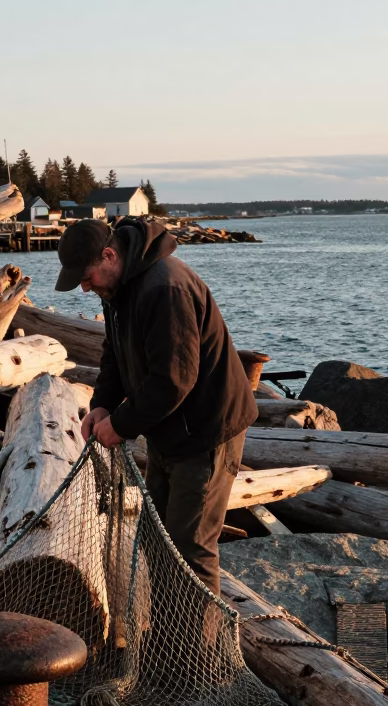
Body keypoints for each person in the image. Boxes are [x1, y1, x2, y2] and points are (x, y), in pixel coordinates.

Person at [55, 216, 257, 596]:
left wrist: (121, 424)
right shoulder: (117, 289)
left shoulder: (165, 288)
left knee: (190, 550)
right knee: (157, 538)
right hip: (169, 429)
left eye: (86, 277)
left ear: (109, 255)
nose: (84, 287)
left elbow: (174, 379)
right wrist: (102, 405)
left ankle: (199, 638)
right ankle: (166, 630)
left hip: (206, 432)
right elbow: (114, 352)